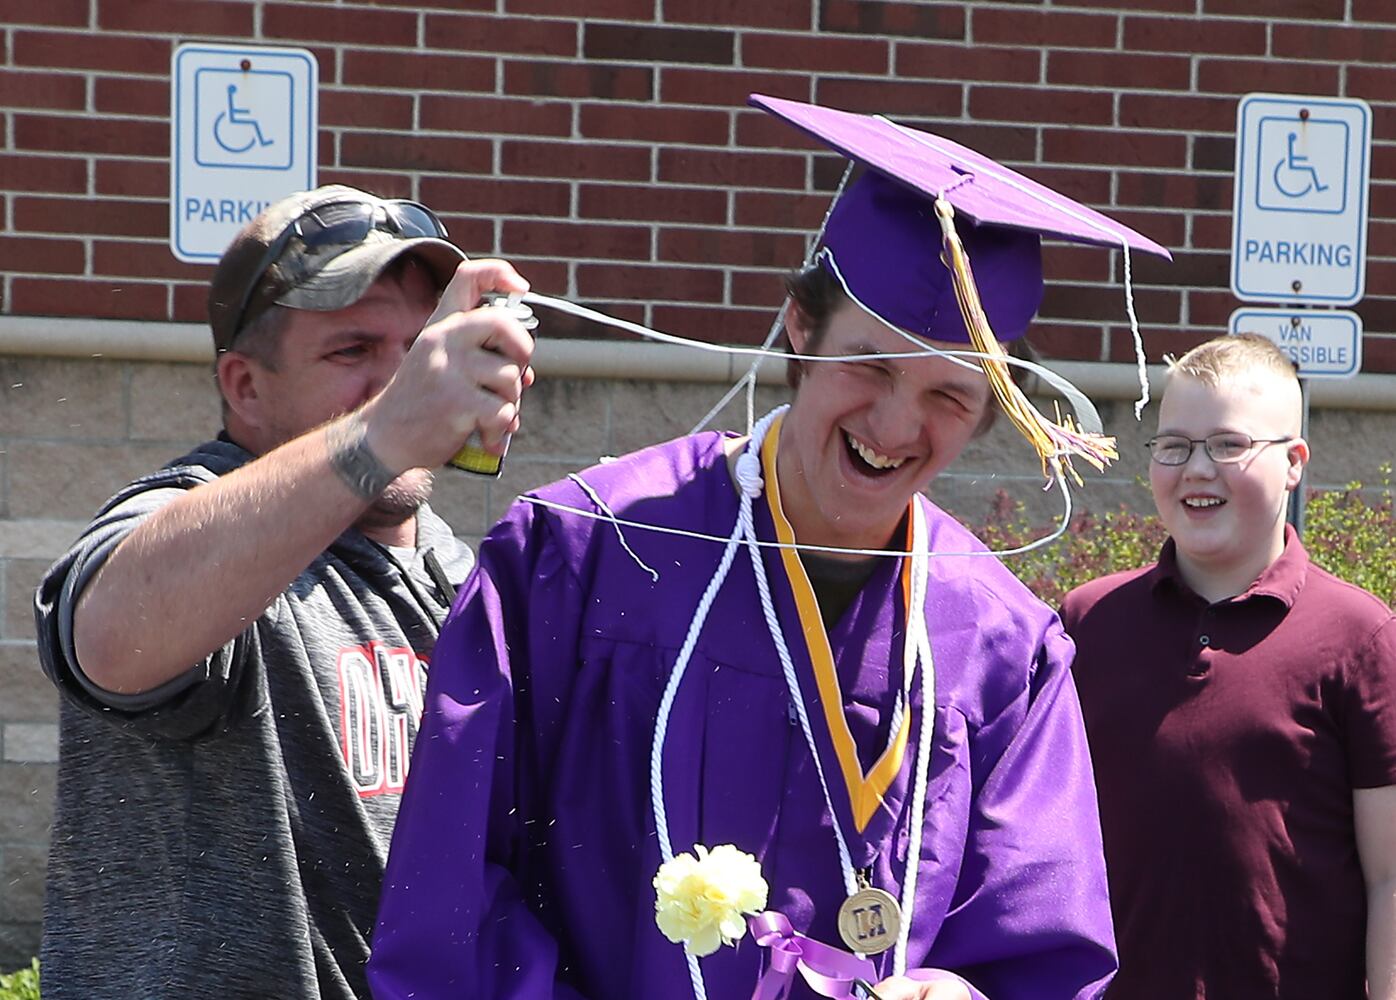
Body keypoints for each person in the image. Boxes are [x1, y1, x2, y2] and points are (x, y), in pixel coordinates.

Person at [368, 96, 1170, 1000]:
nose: (897, 423)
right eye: (871, 363)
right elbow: (452, 895)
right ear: (799, 327)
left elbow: (1043, 955)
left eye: (951, 395)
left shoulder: (1002, 648)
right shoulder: (581, 555)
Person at [32, 185, 536, 1000]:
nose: (400, 380)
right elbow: (109, 638)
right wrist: (384, 431)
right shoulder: (198, 512)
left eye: (419, 350)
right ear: (246, 386)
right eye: (353, 352)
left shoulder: (460, 571)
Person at [1061, 332, 1396, 999]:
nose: (1197, 468)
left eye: (1229, 444)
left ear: (1295, 462)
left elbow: (1390, 876)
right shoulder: (1087, 623)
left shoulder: (1360, 637)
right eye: (1175, 446)